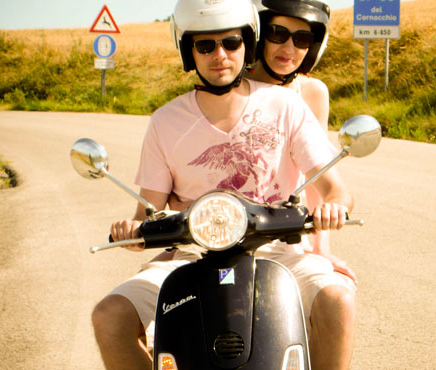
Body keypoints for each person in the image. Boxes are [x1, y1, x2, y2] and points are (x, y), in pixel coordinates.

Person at [90, 0, 356, 369]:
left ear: (248, 43)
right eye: (205, 45)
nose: (220, 55)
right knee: (109, 316)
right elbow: (146, 214)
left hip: (276, 250)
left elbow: (336, 189)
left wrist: (334, 206)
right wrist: (132, 230)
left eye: (231, 43)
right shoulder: (165, 122)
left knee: (338, 301)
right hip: (187, 256)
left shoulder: (285, 105)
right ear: (188, 50)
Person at [245, 0, 357, 282]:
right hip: (229, 226)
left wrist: (320, 248)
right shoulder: (232, 86)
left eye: (302, 39)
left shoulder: (311, 92)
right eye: (278, 34)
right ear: (259, 36)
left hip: (286, 230)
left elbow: (317, 172)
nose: (289, 48)